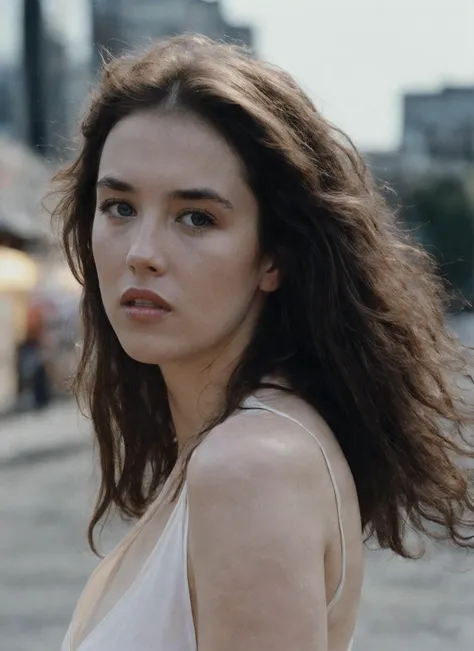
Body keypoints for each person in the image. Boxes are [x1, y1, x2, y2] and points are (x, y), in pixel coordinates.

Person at [52, 35, 474, 651]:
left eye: (195, 217)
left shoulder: (250, 467)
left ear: (272, 256)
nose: (141, 253)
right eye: (118, 207)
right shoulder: (234, 446)